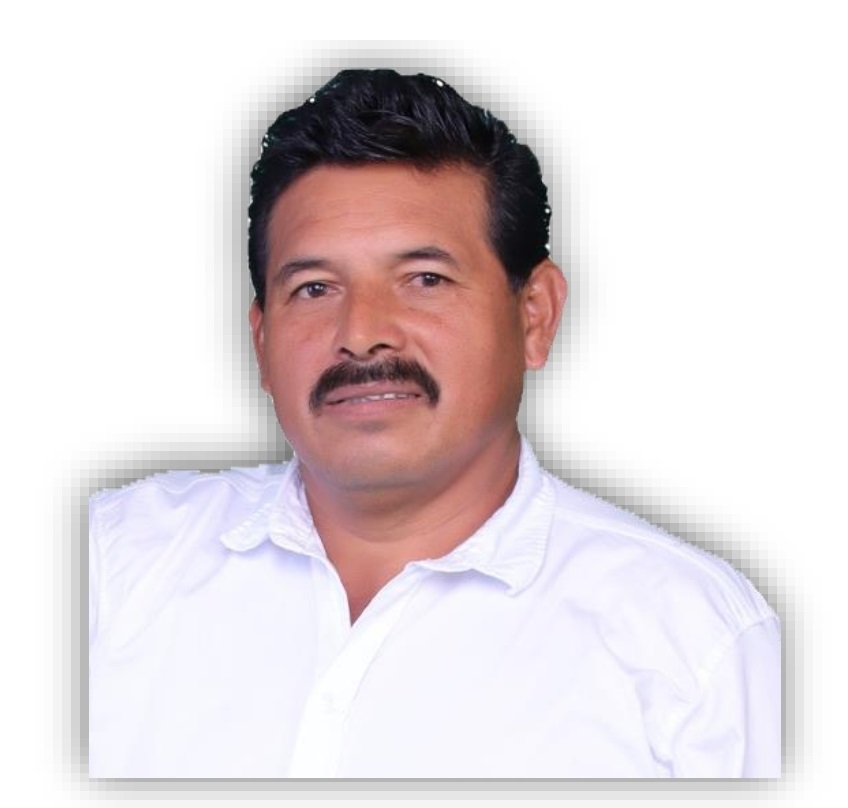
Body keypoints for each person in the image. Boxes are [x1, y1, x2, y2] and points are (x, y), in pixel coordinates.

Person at [88, 69, 781, 779]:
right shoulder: (110, 566)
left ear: (534, 316)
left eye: (425, 280)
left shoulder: (694, 651)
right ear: (261, 341)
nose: (362, 334)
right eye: (314, 288)